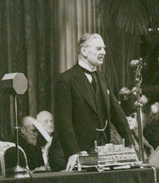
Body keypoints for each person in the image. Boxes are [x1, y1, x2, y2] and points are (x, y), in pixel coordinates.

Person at [53, 32, 134, 161]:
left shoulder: (102, 77)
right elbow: (64, 121)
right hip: (80, 150)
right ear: (84, 51)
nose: (104, 52)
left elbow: (116, 112)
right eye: (98, 48)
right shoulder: (66, 80)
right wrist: (73, 153)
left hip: (103, 149)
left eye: (104, 48)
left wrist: (131, 144)